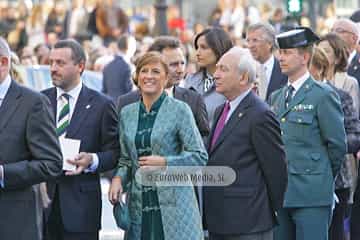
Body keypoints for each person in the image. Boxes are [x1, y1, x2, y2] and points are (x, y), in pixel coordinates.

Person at [109, 52, 208, 240]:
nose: (149, 76)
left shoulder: (180, 110)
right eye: (144, 71)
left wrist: (164, 162)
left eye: (155, 71)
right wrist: (118, 180)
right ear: (137, 77)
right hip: (139, 206)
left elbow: (199, 157)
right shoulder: (127, 113)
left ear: (165, 78)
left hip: (176, 206)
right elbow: (125, 160)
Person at [271, 27, 347, 240]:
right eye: (280, 52)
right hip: (283, 193)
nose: (281, 58)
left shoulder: (322, 95)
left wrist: (319, 178)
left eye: (287, 53)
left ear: (304, 57)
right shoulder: (277, 97)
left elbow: (337, 146)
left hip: (312, 193)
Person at [203, 46, 287, 240]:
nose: (216, 75)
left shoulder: (260, 114)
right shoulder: (221, 110)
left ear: (243, 78)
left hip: (249, 222)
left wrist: (267, 211)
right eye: (217, 69)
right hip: (220, 219)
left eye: (223, 69)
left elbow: (276, 170)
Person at [42, 39, 119, 240]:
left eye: (60, 63)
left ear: (80, 66)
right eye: (51, 62)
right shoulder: (39, 102)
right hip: (42, 206)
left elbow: (115, 152)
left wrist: (92, 160)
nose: (53, 68)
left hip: (81, 210)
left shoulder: (102, 105)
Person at [0, 37, 62, 240]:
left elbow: (51, 164)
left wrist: (3, 173)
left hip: (14, 222)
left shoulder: (33, 103)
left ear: (3, 63)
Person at [309, 46, 360, 240]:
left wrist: (327, 145)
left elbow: (355, 136)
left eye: (307, 66)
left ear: (319, 69)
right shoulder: (285, 97)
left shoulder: (339, 96)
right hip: (300, 183)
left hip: (335, 182)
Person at [117, 36, 210, 137]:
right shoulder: (127, 102)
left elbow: (203, 141)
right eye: (173, 65)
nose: (180, 70)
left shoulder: (194, 100)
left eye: (182, 63)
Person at [184, 27, 233, 128]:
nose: (197, 53)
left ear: (219, 48)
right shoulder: (190, 80)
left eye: (204, 47)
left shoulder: (232, 83)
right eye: (197, 48)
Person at [318, 33, 360, 117]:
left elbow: (353, 118)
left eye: (326, 51)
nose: (321, 55)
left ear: (337, 58)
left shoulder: (350, 83)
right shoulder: (309, 81)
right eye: (318, 51)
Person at [246, 22, 287, 102]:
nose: (250, 45)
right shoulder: (244, 70)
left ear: (270, 43)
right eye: (248, 41)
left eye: (255, 40)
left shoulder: (284, 70)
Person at [331, 19, 360, 88]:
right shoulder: (326, 62)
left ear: (354, 38)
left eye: (339, 31)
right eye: (331, 30)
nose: (332, 34)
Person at [102, 35, 133, 100]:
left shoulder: (108, 66)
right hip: (124, 106)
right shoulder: (128, 66)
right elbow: (130, 91)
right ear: (130, 47)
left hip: (109, 106)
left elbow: (104, 90)